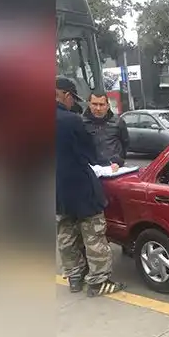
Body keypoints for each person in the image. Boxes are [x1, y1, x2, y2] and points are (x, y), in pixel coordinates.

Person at [55, 76, 125, 297]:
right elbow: (89, 155)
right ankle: (98, 281)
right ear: (65, 95)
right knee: (93, 233)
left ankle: (74, 277)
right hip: (82, 187)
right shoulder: (71, 120)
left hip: (56, 190)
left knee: (66, 233)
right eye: (72, 98)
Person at [82, 91, 130, 167]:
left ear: (107, 106)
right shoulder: (81, 123)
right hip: (91, 170)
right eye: (94, 104)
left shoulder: (118, 122)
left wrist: (119, 160)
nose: (98, 108)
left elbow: (125, 143)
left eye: (101, 105)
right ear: (89, 104)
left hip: (114, 168)